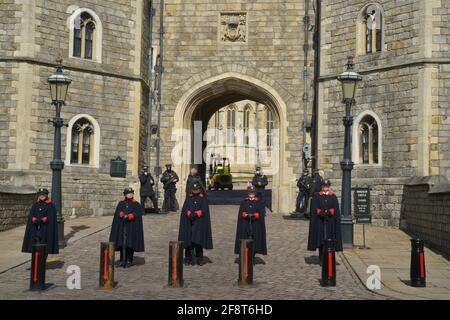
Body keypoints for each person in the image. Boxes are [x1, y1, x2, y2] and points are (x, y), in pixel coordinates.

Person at [307, 179, 343, 261]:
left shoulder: (333, 197)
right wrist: (321, 212)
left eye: (326, 186)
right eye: (324, 186)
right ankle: (321, 257)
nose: (325, 188)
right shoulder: (317, 196)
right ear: (321, 187)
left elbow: (335, 210)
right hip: (320, 222)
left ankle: (329, 258)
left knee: (329, 240)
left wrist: (329, 212)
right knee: (321, 240)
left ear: (329, 187)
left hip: (330, 222)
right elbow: (315, 209)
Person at [178, 182, 213, 266]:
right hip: (189, 223)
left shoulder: (203, 198)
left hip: (199, 223)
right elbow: (185, 209)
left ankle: (199, 258)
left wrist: (199, 213)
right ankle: (187, 258)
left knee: (198, 242)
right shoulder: (189, 198)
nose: (195, 192)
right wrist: (188, 212)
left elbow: (205, 209)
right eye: (194, 190)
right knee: (188, 242)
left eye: (197, 190)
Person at [109, 187, 145, 268]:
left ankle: (129, 260)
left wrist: (132, 215)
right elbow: (118, 212)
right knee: (122, 243)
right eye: (128, 193)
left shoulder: (136, 204)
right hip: (122, 226)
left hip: (131, 227)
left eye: (131, 193)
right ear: (125, 194)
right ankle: (122, 260)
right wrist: (120, 213)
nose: (130, 194)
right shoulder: (121, 203)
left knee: (130, 243)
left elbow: (138, 213)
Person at [22, 188, 59, 255]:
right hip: (35, 229)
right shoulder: (35, 204)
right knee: (35, 246)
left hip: (45, 229)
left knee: (45, 247)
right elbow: (32, 215)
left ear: (46, 195)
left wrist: (46, 219)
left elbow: (51, 217)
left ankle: (42, 262)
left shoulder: (51, 205)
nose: (41, 196)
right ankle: (36, 262)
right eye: (40, 194)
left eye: (43, 194)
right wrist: (34, 219)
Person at [234, 186, 267, 258]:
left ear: (255, 193)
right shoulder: (244, 202)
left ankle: (253, 255)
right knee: (245, 239)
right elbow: (241, 213)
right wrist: (244, 214)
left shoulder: (259, 202)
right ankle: (246, 255)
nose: (251, 194)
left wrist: (257, 215)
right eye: (250, 192)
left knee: (255, 239)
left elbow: (261, 213)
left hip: (255, 224)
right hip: (246, 224)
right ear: (248, 193)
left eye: (252, 192)